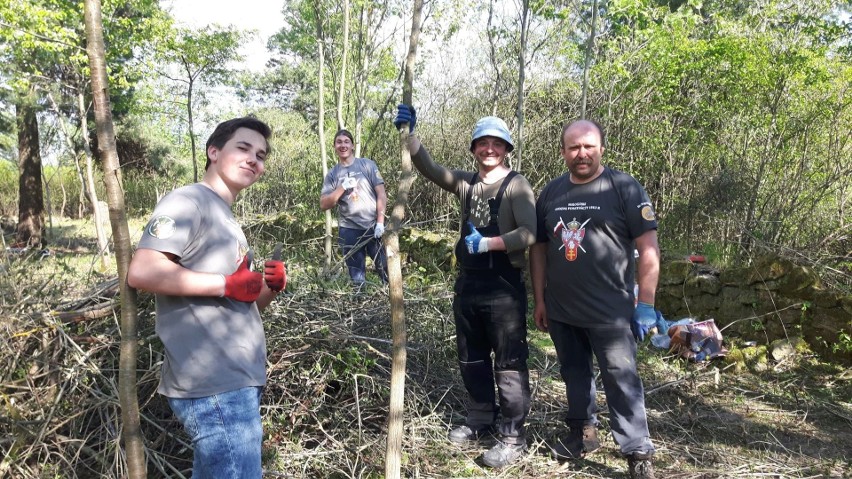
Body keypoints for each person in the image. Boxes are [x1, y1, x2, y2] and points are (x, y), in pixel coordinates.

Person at [127, 117, 286, 478]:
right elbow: (143, 271)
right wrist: (225, 284)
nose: (253, 159)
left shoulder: (226, 217)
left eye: (260, 155)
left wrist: (267, 289)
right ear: (214, 152)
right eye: (243, 148)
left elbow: (239, 307)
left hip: (236, 380)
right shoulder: (189, 201)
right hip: (215, 384)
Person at [394, 104, 536, 468]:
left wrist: (489, 243)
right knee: (471, 356)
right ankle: (479, 420)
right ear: (473, 149)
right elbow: (429, 168)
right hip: (468, 284)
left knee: (508, 362)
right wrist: (410, 134)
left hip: (504, 287)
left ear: (506, 149)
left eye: (496, 144)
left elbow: (530, 233)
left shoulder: (516, 186)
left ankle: (512, 436)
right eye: (482, 144)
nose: (489, 149)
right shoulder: (467, 184)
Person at [529, 119, 660, 479]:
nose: (581, 153)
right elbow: (539, 249)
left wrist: (645, 303)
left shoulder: (624, 187)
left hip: (612, 313)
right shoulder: (551, 193)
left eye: (588, 146)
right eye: (574, 147)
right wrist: (540, 299)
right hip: (562, 309)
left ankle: (637, 452)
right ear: (563, 152)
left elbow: (648, 249)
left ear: (601, 147)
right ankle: (582, 432)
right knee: (574, 374)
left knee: (622, 379)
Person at [320, 129, 388, 286]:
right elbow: (324, 204)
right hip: (349, 230)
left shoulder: (367, 165)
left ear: (352, 146)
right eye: (339, 142)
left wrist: (380, 222)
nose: (342, 145)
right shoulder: (332, 174)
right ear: (334, 146)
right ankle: (361, 305)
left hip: (373, 226)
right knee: (357, 279)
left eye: (346, 142)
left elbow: (382, 194)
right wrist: (342, 187)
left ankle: (394, 306)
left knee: (386, 269)